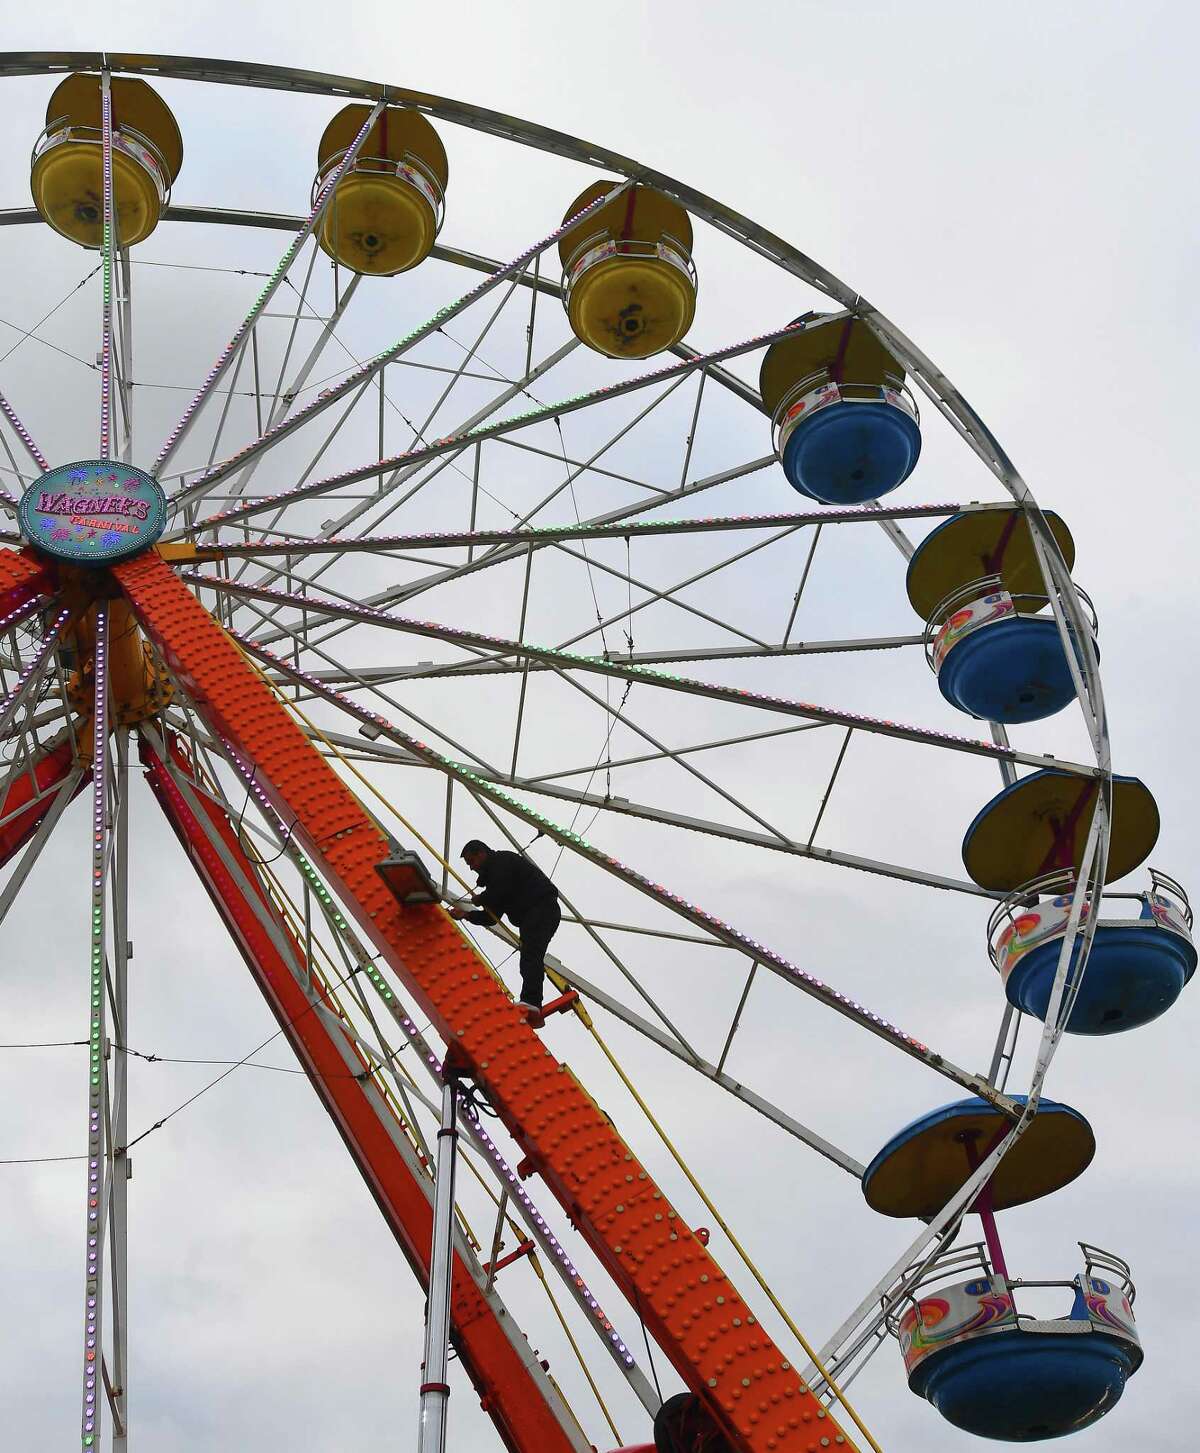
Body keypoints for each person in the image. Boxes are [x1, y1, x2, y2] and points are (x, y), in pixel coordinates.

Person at [448, 840, 561, 1011]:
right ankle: (531, 1001)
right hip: (535, 914)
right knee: (530, 956)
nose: (471, 867)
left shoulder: (502, 861)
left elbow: (501, 889)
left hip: (540, 908)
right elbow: (491, 917)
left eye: (471, 861)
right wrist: (467, 915)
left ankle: (531, 1001)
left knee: (531, 955)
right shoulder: (495, 878)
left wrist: (482, 898)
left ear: (481, 853)